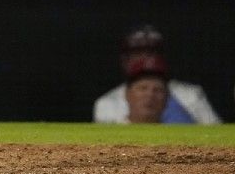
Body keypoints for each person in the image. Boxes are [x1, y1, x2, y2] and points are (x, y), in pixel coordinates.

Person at [92, 24, 221, 124]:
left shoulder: (191, 95)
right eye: (138, 52)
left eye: (152, 52)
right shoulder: (107, 103)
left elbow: (218, 137)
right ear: (124, 59)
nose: (146, 58)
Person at [123, 54, 169, 124]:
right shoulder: (108, 132)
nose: (150, 95)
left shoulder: (179, 134)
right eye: (142, 88)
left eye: (158, 90)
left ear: (167, 97)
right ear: (127, 94)